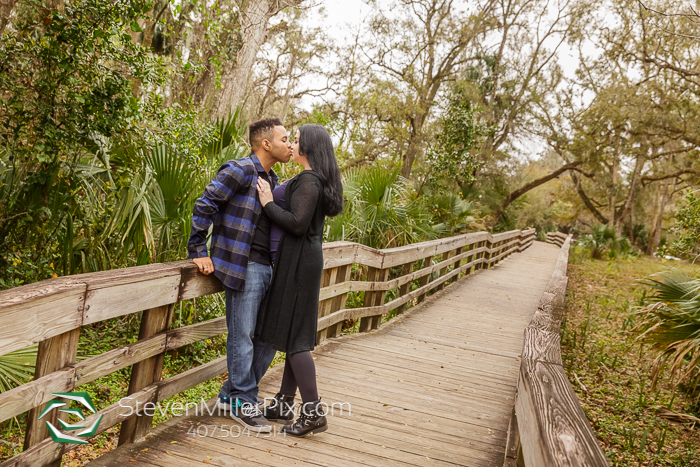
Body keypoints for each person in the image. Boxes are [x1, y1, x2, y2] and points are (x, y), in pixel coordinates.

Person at [187, 118, 291, 432]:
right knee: (242, 335)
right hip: (242, 266)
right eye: (285, 139)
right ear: (266, 144)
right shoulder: (240, 170)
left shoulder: (271, 180)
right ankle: (244, 401)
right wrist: (198, 250)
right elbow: (205, 204)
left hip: (267, 267)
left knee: (269, 337)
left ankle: (230, 394)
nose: (290, 144)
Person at [254, 124, 343, 437]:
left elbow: (296, 224)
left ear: (307, 148)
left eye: (296, 140)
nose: (291, 143)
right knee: (294, 333)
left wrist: (267, 203)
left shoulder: (309, 180)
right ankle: (283, 402)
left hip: (300, 263)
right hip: (302, 261)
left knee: (296, 339)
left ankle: (313, 412)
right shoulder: (313, 180)